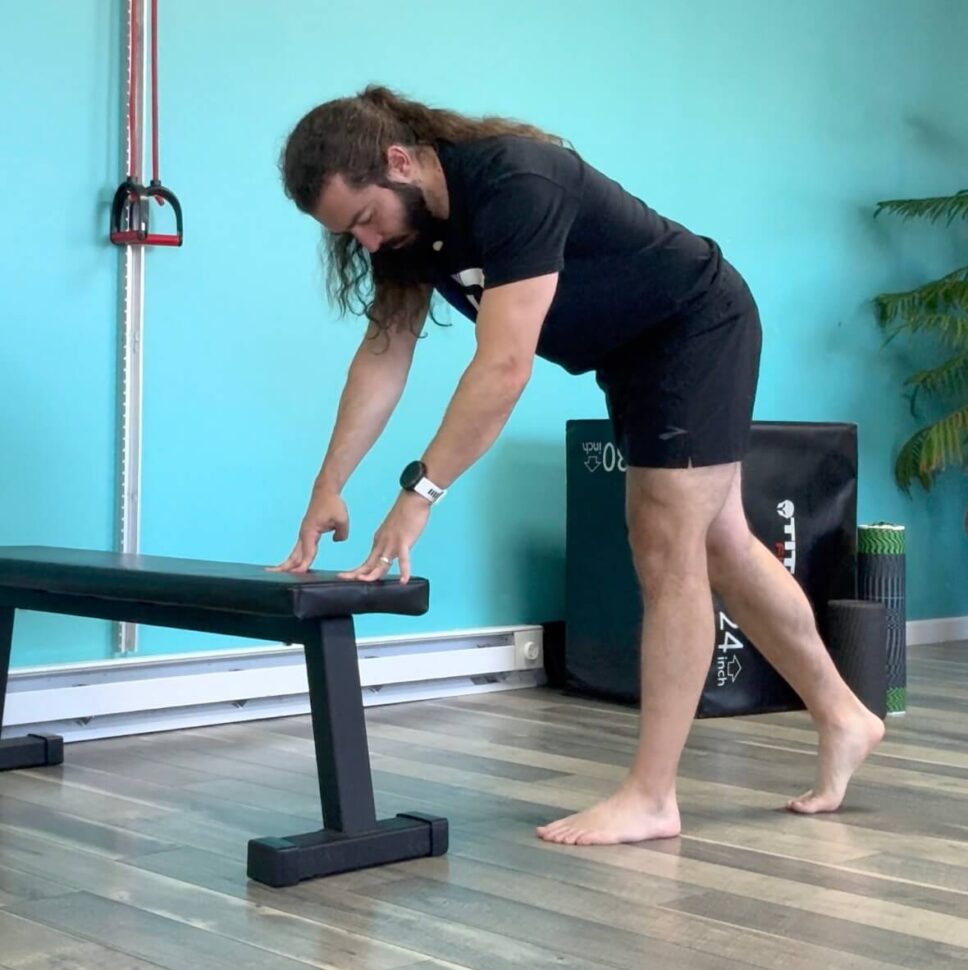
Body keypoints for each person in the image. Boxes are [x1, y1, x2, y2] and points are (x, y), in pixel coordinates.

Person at [269, 84, 884, 846]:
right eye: (348, 233)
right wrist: (328, 485)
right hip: (632, 354)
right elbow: (382, 356)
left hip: (696, 324)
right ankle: (844, 715)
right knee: (721, 545)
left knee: (667, 548)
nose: (365, 242)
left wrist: (421, 491)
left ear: (399, 161)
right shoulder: (410, 235)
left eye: (364, 218)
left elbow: (503, 369)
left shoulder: (513, 183)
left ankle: (653, 797)